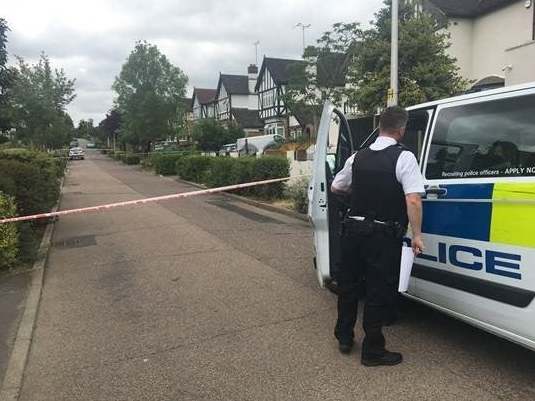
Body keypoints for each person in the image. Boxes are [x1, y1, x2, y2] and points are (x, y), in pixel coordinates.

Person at [331, 106, 425, 367]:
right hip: (382, 235)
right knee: (376, 290)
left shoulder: (357, 157)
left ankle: (344, 337)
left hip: (352, 230)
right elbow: (414, 199)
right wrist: (417, 235)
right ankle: (372, 351)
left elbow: (336, 186)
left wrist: (357, 200)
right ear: (401, 129)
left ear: (380, 126)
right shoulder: (404, 157)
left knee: (348, 285)